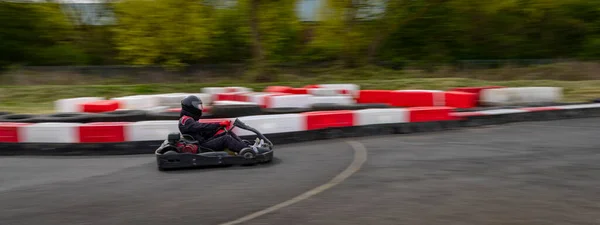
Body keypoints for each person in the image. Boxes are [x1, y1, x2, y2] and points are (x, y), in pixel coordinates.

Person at [178, 95, 250, 153]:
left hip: (202, 141)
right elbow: (200, 127)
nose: (200, 108)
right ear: (191, 107)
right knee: (226, 139)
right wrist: (218, 124)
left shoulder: (190, 119)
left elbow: (204, 133)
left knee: (227, 133)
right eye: (198, 106)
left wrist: (218, 127)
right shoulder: (185, 119)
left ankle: (245, 147)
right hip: (201, 145)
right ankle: (247, 150)